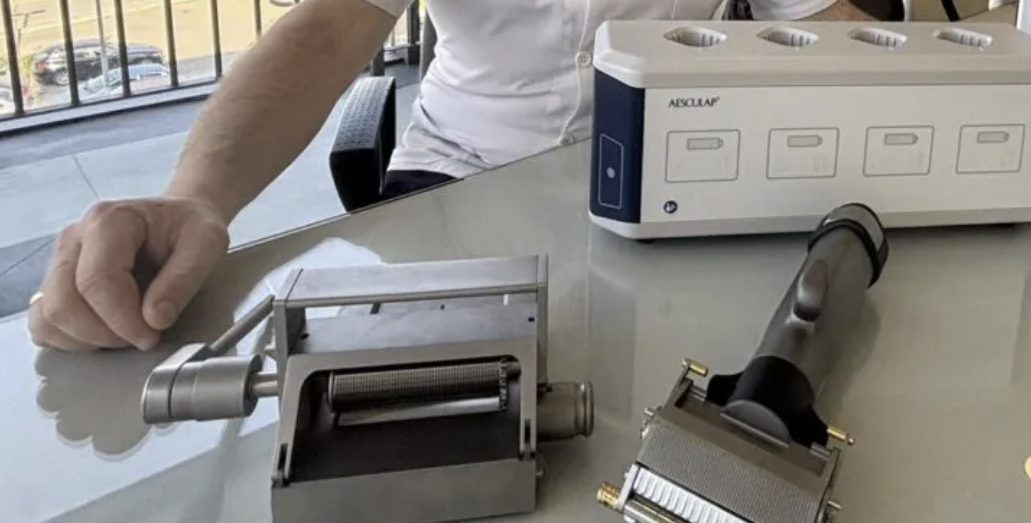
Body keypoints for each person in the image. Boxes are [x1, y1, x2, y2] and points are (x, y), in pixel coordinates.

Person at [27, 0, 873, 352]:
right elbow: (327, 30)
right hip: (457, 175)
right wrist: (194, 196)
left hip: (663, 177)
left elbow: (824, 26)